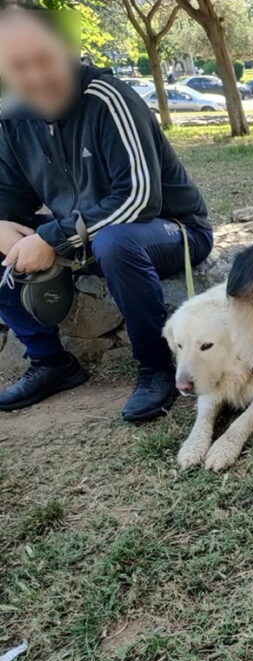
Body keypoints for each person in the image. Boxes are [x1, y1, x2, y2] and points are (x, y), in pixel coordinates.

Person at [0, 7, 212, 421]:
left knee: (115, 241)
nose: (36, 77)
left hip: (171, 231)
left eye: (44, 60)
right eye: (19, 66)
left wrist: (50, 239)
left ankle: (156, 368)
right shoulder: (11, 117)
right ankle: (51, 362)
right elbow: (10, 199)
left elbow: (139, 197)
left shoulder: (109, 98)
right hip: (85, 237)